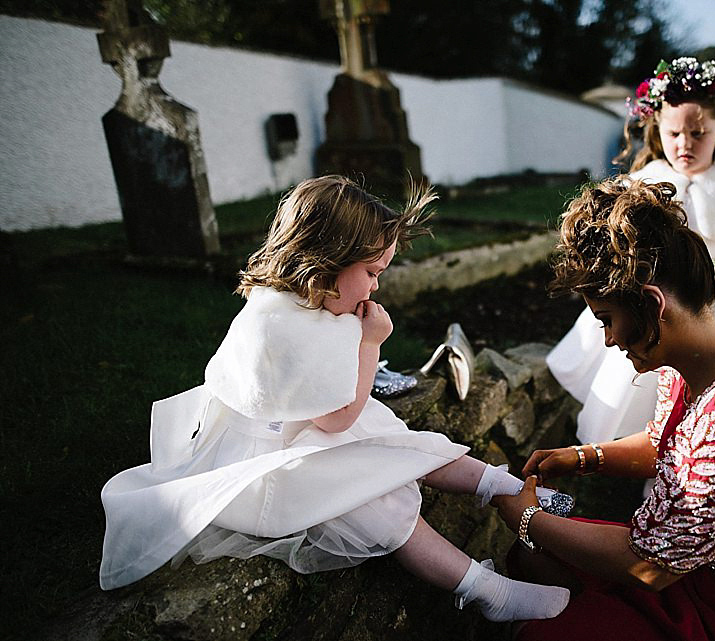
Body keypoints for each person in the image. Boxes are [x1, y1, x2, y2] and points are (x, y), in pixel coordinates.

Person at [98, 176, 572, 623]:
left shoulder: (303, 301)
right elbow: (338, 419)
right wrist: (371, 344)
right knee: (381, 506)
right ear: (325, 260)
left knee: (407, 444)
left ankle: (505, 488)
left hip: (295, 433)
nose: (376, 286)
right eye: (370, 272)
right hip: (267, 465)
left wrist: (358, 343)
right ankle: (490, 592)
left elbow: (337, 402)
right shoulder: (278, 325)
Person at [493, 179, 715, 641]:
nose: (608, 339)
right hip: (709, 572)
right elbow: (665, 442)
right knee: (537, 560)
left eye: (607, 320)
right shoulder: (698, 360)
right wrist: (585, 456)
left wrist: (529, 518)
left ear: (652, 303)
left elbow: (649, 568)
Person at [549, 58, 715, 445]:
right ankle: (636, 449)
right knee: (641, 390)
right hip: (651, 301)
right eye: (673, 134)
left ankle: (699, 452)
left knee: (707, 393)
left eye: (698, 133)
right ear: (658, 130)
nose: (684, 144)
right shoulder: (644, 179)